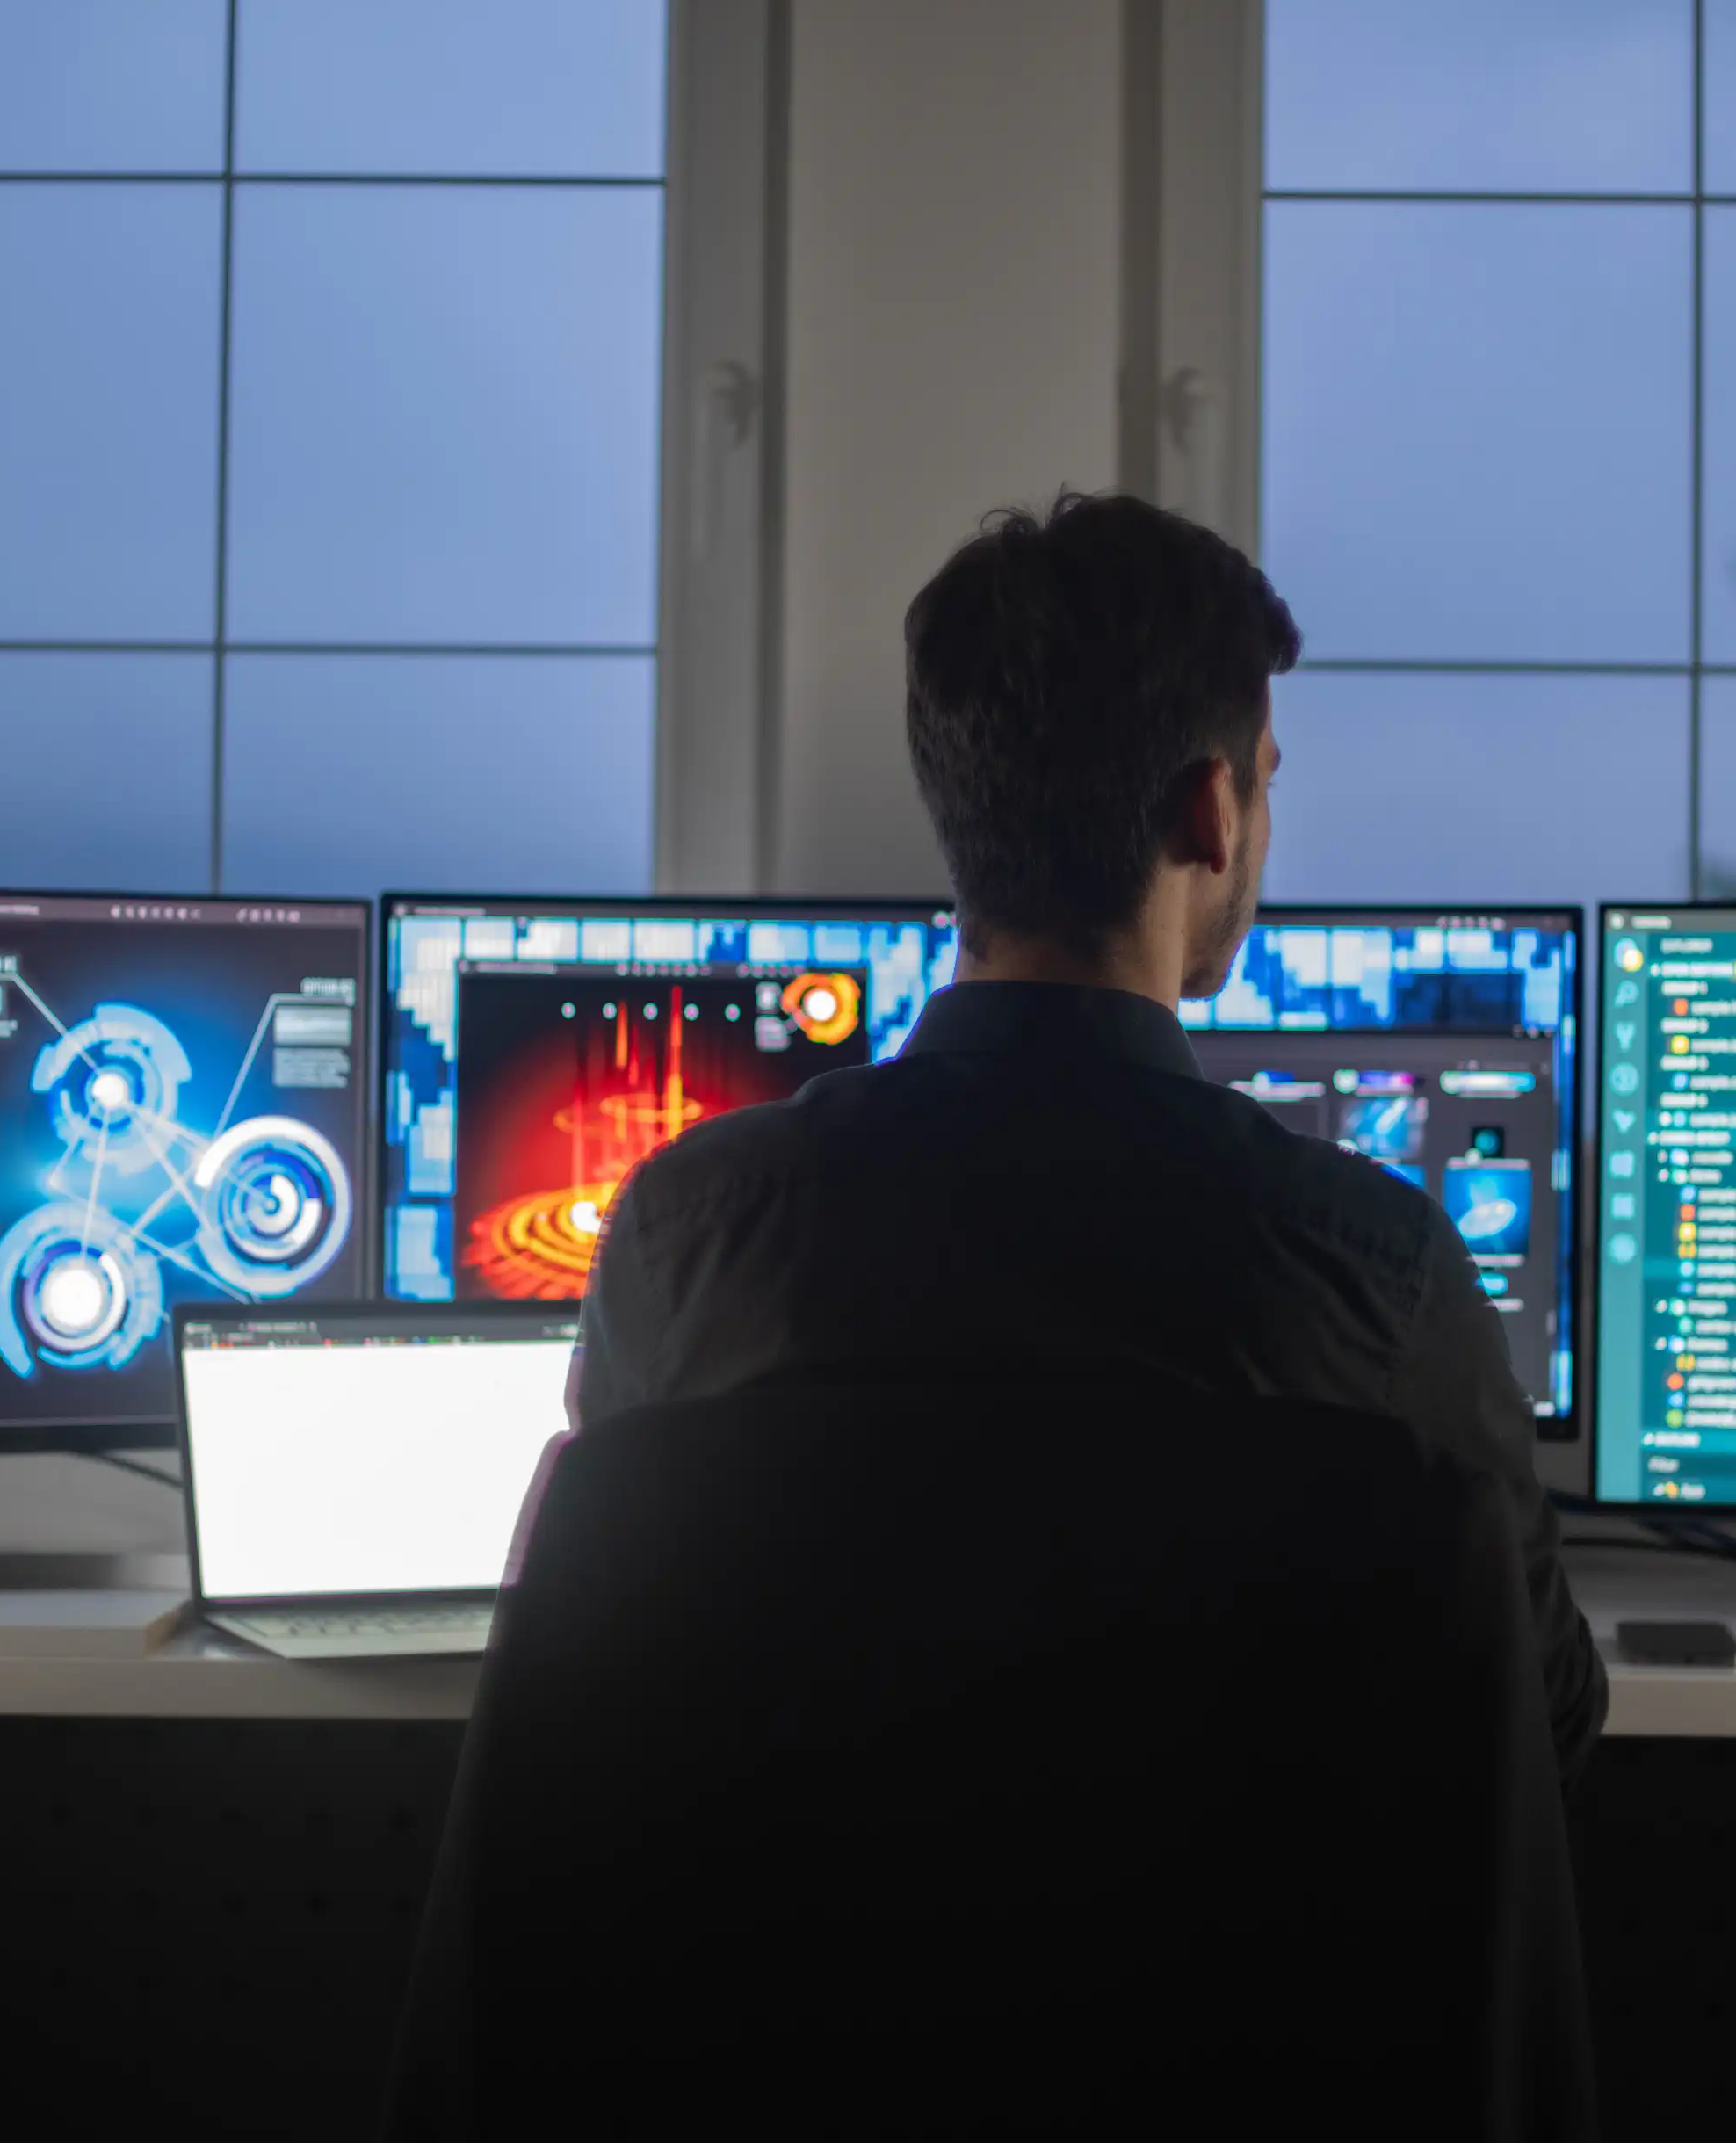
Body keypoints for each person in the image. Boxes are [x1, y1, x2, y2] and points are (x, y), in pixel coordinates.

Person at [570, 490, 1607, 1779]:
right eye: (1267, 785)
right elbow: (1549, 1710)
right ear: (1211, 813)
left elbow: (601, 1682)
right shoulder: (1377, 1271)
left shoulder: (686, 1234)